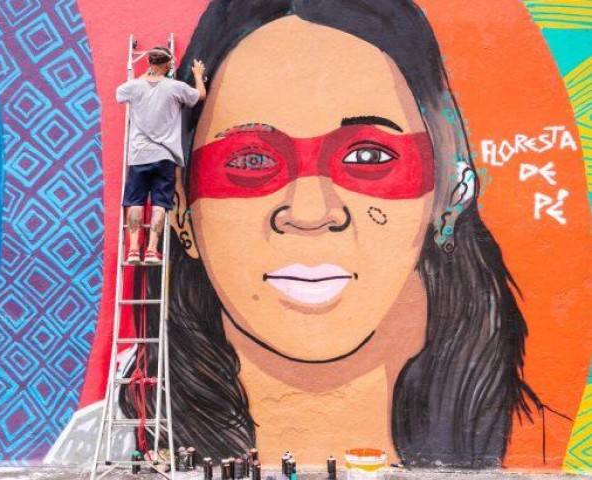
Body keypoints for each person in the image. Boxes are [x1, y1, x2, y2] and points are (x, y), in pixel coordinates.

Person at [119, 0, 570, 469]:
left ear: (448, 190)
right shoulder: (98, 448)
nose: (311, 212)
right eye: (251, 160)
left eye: (368, 157)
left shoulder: (541, 449)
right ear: (181, 208)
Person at [115, 47, 206, 263]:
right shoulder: (175, 87)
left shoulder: (134, 86)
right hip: (165, 155)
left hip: (139, 155)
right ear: (168, 64)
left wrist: (145, 75)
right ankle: (151, 250)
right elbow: (199, 95)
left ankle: (133, 249)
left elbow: (119, 94)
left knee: (135, 201)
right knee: (159, 202)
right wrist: (197, 75)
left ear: (150, 63)